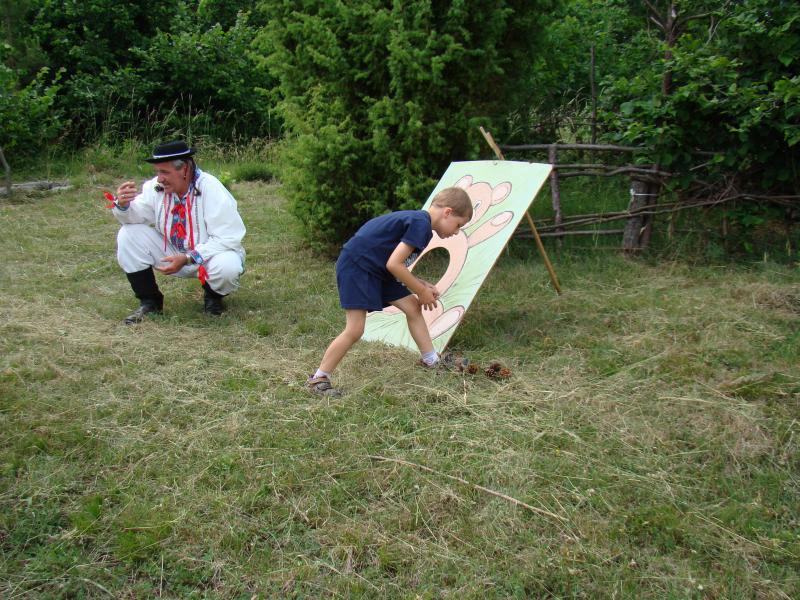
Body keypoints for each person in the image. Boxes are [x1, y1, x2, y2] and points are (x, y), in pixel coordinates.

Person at [307, 187, 474, 397]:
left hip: (377, 269)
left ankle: (431, 360)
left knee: (413, 307)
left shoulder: (421, 224)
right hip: (358, 267)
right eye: (458, 225)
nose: (457, 232)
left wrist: (421, 284)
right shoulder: (421, 224)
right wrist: (420, 290)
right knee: (355, 329)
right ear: (447, 212)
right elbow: (394, 264)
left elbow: (394, 263)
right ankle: (319, 378)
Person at [111, 140, 246, 324]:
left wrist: (189, 257)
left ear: (185, 169)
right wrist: (123, 205)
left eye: (165, 172)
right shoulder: (155, 187)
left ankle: (213, 298)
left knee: (228, 266)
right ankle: (150, 302)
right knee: (128, 234)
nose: (160, 178)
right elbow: (135, 216)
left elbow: (229, 237)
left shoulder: (211, 188)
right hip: (172, 251)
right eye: (158, 172)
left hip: (208, 255)